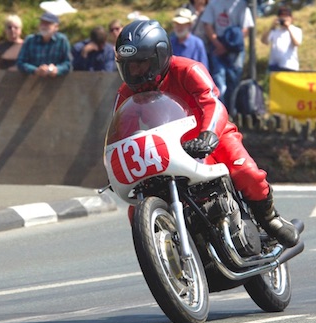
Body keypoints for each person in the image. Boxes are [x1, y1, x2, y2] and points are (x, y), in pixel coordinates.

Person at [114, 20, 300, 248]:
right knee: (136, 211)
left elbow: (212, 103)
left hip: (210, 135)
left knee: (246, 172)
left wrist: (208, 134)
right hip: (165, 151)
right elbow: (121, 131)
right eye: (129, 66)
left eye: (141, 64)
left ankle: (270, 219)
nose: (136, 72)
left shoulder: (188, 69)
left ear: (160, 56)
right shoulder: (125, 93)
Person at [201, 0, 254, 112]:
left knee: (234, 80)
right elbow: (207, 25)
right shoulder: (213, 3)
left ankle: (232, 110)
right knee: (218, 79)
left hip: (235, 46)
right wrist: (218, 44)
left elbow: (246, 28)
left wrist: (229, 45)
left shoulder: (242, 4)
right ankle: (221, 111)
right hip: (217, 44)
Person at [16, 12, 72, 77]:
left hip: (57, 84)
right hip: (31, 83)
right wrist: (35, 70)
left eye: (47, 23)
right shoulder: (30, 40)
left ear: (56, 27)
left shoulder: (62, 40)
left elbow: (68, 63)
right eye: (42, 23)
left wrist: (57, 69)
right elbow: (20, 63)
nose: (44, 26)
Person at [260, 6, 303, 72]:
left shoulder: (296, 30)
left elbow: (296, 43)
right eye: (282, 16)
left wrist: (288, 28)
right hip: (274, 66)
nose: (284, 18)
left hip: (289, 66)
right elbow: (264, 41)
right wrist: (271, 27)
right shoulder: (275, 31)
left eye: (286, 16)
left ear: (291, 18)